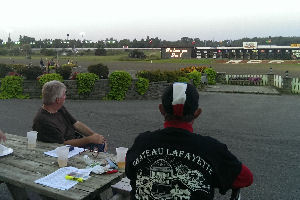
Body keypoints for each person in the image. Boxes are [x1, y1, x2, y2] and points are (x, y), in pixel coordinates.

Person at [125, 82, 253, 200]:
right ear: (197, 113)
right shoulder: (211, 149)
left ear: (161, 110)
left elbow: (130, 173)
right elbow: (246, 178)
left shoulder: (142, 142)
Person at [32, 80, 106, 149]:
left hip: (76, 142)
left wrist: (95, 136)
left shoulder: (58, 108)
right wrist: (89, 139)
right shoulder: (43, 121)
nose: (65, 97)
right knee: (100, 150)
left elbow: (76, 124)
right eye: (64, 94)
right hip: (66, 150)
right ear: (58, 100)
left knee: (101, 145)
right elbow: (62, 144)